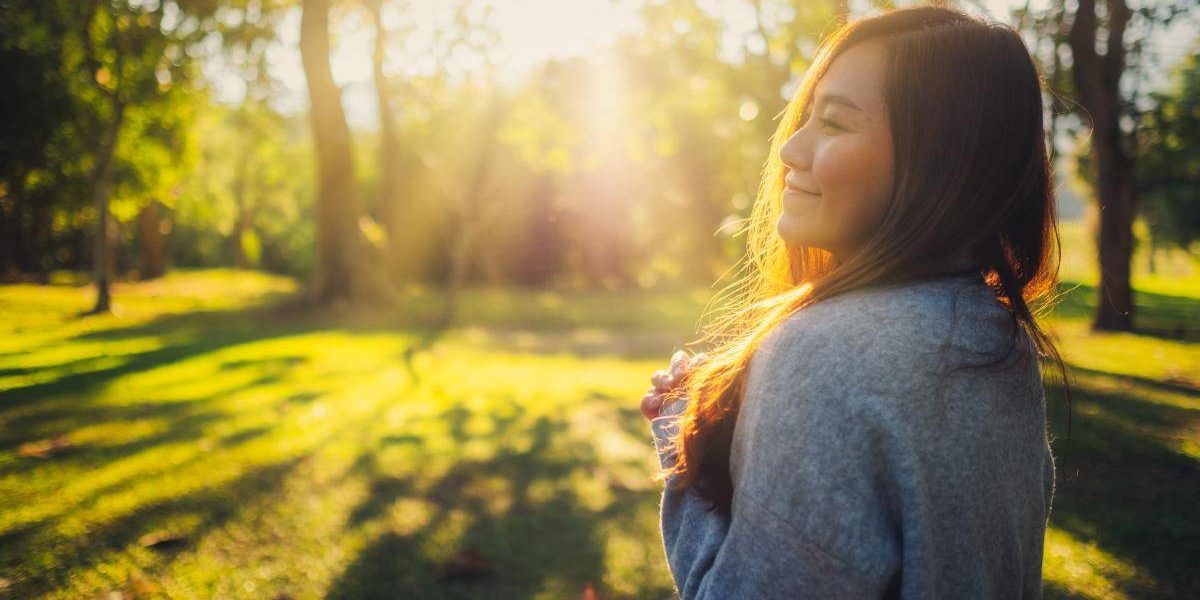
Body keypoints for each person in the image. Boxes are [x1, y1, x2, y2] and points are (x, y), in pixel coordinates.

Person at [640, 5, 1071, 598]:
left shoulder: (823, 354)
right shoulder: (995, 338)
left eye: (835, 125)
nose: (790, 149)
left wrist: (682, 459)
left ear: (939, 161)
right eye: (807, 116)